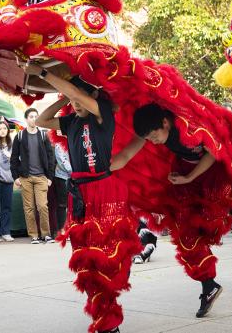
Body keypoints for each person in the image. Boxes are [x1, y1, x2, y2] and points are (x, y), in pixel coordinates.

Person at [24, 66, 140, 333]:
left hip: (105, 190)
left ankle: (109, 320)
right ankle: (104, 317)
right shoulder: (71, 122)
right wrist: (64, 97)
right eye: (72, 100)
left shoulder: (103, 115)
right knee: (85, 257)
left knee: (107, 255)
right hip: (80, 194)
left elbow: (78, 92)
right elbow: (42, 120)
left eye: (79, 99)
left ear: (93, 97)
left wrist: (42, 73)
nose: (75, 104)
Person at [111, 103, 232, 317]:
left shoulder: (190, 127)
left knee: (208, 226)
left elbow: (214, 152)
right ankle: (208, 284)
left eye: (154, 135)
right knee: (185, 233)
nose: (153, 141)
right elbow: (127, 154)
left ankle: (208, 282)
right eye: (148, 138)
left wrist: (189, 177)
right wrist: (96, 168)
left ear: (165, 123)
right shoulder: (151, 126)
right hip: (185, 175)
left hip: (212, 173)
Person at [11, 108, 56, 244]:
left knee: (42, 206)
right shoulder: (19, 136)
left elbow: (50, 157)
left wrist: (49, 177)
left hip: (42, 177)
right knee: (29, 208)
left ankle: (46, 234)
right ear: (26, 119)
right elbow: (14, 158)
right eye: (31, 116)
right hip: (25, 177)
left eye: (36, 117)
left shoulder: (43, 135)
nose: (34, 119)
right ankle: (34, 235)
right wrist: (16, 177)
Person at [49, 142, 71, 236]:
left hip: (76, 177)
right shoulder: (59, 144)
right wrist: (73, 171)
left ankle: (72, 228)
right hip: (62, 177)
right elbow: (62, 161)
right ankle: (61, 229)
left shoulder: (75, 140)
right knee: (62, 204)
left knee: (74, 205)